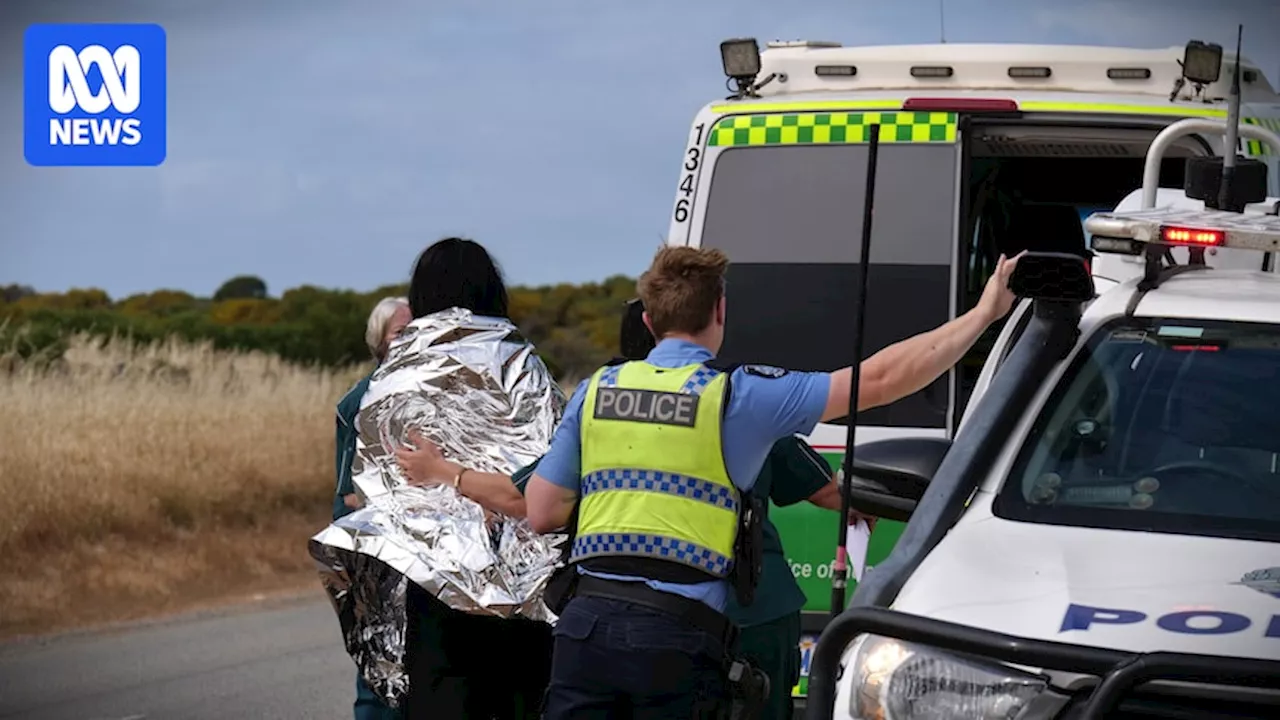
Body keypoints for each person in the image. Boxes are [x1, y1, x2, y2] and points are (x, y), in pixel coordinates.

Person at [523, 245, 1020, 718]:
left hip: (585, 627)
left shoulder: (596, 392)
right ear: (720, 310)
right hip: (678, 636)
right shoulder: (739, 396)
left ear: (649, 320)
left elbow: (542, 512)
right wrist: (983, 314)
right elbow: (881, 379)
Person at [396, 237, 554, 720]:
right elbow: (548, 476)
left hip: (429, 586)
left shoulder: (395, 375)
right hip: (518, 594)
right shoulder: (522, 367)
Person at [334, 296, 411, 720]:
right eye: (400, 332)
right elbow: (348, 494)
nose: (410, 340)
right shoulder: (360, 400)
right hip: (377, 552)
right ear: (379, 343)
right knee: (380, 670)